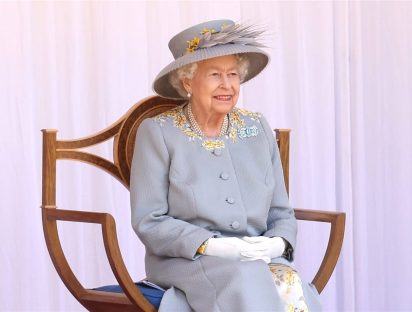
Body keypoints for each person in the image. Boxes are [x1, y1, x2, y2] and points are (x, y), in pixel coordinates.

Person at [130, 19, 321, 311]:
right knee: (243, 281)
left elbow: (281, 211)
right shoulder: (158, 132)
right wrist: (211, 245)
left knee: (291, 284)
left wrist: (278, 244)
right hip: (187, 260)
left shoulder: (256, 127)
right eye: (215, 75)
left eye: (233, 74)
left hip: (258, 257)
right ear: (187, 82)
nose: (227, 85)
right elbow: (149, 220)